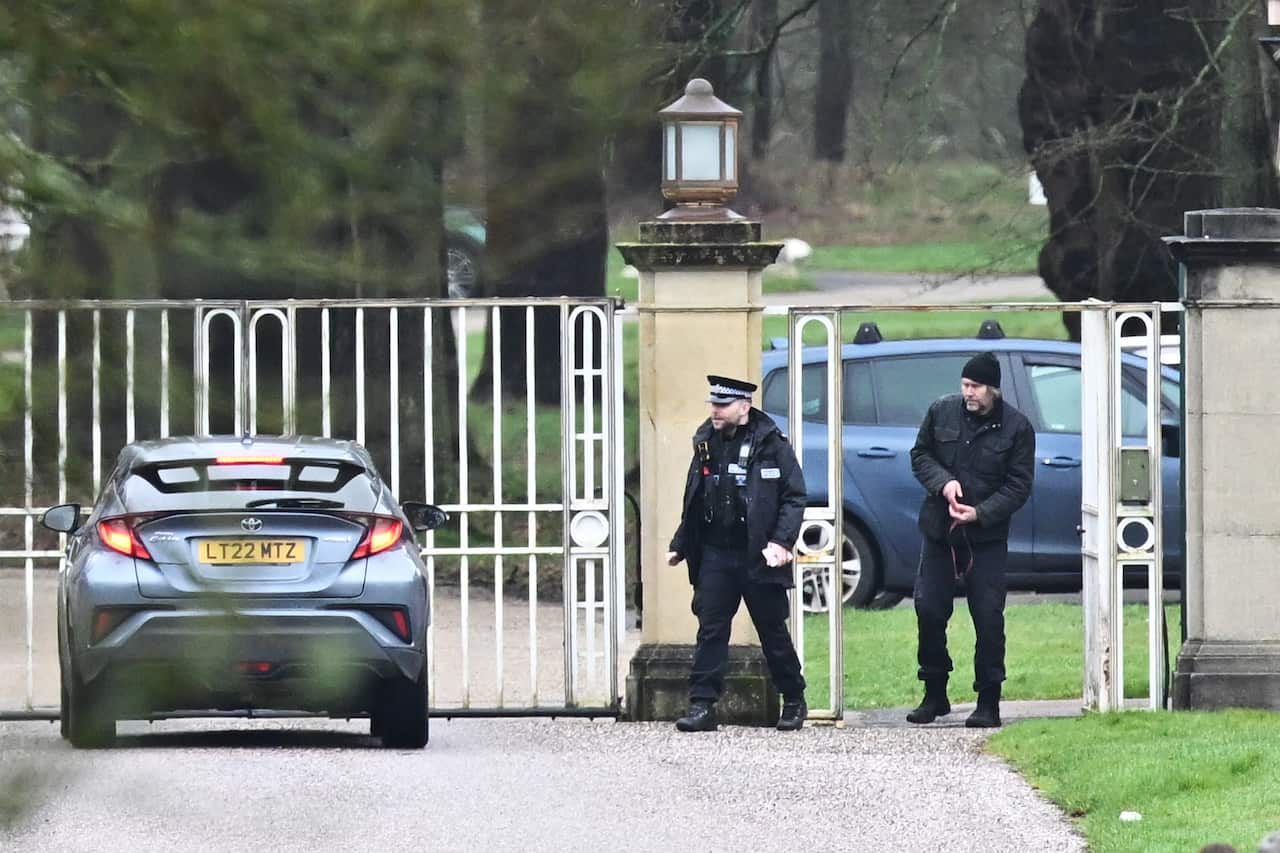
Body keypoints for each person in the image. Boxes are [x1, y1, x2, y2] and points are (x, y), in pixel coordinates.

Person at [666, 374, 808, 733]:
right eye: (713, 404)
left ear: (744, 407)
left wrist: (781, 542)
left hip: (758, 553)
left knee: (772, 630)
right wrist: (682, 543)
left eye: (723, 404)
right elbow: (695, 497)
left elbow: (794, 497)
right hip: (716, 552)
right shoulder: (706, 442)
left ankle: (793, 699)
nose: (715, 411)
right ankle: (702, 705)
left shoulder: (772, 444)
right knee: (710, 629)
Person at [907, 351, 1035, 728]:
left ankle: (988, 699)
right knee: (928, 609)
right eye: (964, 385)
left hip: (986, 539)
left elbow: (1019, 485)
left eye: (975, 386)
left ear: (993, 388)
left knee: (988, 617)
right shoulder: (941, 411)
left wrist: (981, 513)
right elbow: (920, 455)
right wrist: (943, 483)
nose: (968, 393)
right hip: (940, 533)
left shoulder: (1017, 428)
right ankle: (934, 691)